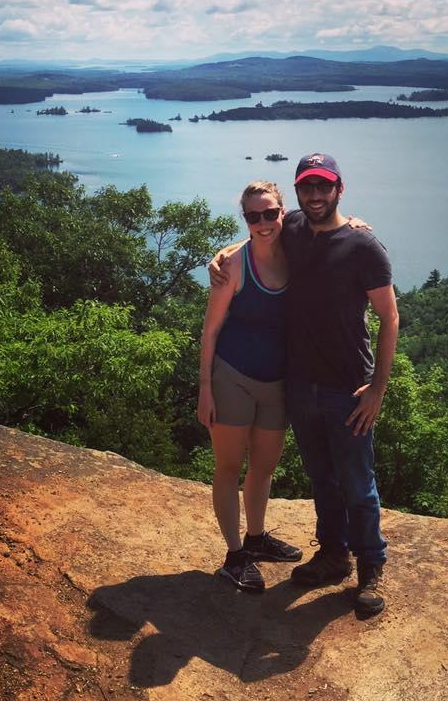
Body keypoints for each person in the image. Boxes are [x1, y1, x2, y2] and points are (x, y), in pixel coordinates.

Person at [213, 154, 398, 618]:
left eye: (324, 187)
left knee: (358, 482)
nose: (315, 196)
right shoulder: (292, 227)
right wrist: (223, 255)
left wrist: (377, 389)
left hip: (348, 388)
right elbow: (261, 228)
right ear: (297, 193)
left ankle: (370, 566)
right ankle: (334, 554)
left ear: (340, 188)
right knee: (323, 479)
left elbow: (390, 318)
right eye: (307, 188)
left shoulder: (364, 246)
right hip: (299, 386)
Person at [198, 180, 303, 593]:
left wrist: (360, 226)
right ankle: (234, 555)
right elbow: (210, 332)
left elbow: (335, 230)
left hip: (277, 383)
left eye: (269, 213)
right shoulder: (234, 265)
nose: (262, 222)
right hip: (232, 378)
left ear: (283, 212)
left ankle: (257, 540)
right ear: (245, 219)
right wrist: (205, 388)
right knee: (228, 467)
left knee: (264, 468)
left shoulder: (298, 253)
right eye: (252, 216)